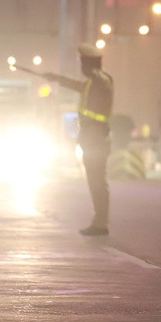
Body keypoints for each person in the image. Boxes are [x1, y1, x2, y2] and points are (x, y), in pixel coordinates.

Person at [45, 44, 114, 236]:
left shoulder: (101, 80)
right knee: (94, 180)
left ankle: (101, 222)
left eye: (84, 63)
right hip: (90, 137)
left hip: (97, 137)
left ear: (91, 65)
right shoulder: (92, 84)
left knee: (97, 180)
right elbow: (77, 85)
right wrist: (56, 78)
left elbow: (97, 79)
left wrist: (93, 70)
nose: (81, 68)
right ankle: (99, 220)